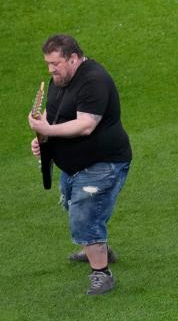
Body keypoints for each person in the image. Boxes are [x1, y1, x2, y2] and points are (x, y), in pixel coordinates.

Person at [27, 34, 132, 296]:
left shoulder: (93, 80)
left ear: (73, 58)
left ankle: (102, 274)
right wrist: (41, 137)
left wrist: (47, 128)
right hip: (76, 165)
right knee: (73, 205)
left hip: (103, 163)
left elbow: (86, 125)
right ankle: (97, 247)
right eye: (48, 64)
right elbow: (54, 113)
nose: (51, 70)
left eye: (55, 63)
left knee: (85, 216)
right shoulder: (59, 80)